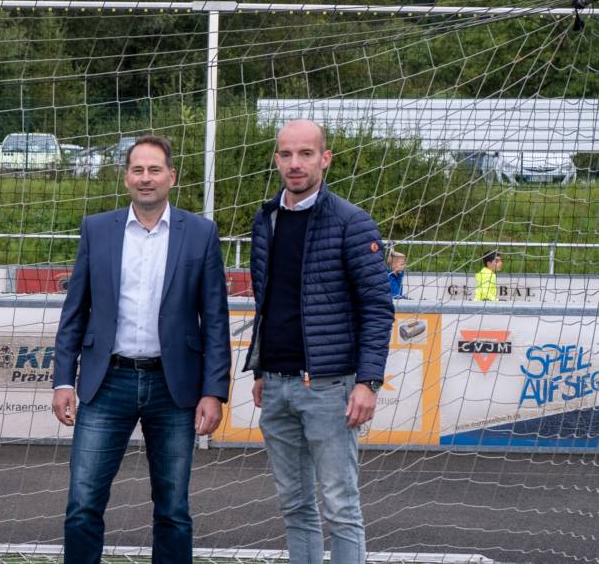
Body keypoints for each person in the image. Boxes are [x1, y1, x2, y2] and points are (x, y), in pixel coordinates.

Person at [51, 135, 231, 563]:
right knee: (82, 506)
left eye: (154, 170)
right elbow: (75, 311)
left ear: (171, 176)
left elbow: (215, 319)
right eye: (138, 170)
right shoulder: (97, 229)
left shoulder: (201, 233)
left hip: (175, 389)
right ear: (126, 177)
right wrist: (62, 380)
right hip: (105, 382)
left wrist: (214, 390)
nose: (146, 178)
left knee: (173, 510)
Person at [244, 119, 393, 564]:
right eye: (286, 154)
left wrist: (368, 381)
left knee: (341, 508)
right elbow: (269, 300)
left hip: (329, 389)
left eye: (306, 154)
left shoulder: (352, 222)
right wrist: (260, 367)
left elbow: (377, 308)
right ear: (276, 159)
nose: (295, 163)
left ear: (324, 159)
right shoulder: (265, 218)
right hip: (275, 385)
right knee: (295, 507)